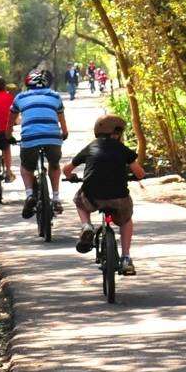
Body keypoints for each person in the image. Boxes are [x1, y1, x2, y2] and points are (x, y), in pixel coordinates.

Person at [63, 114, 145, 276]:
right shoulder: (123, 149)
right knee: (126, 220)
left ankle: (86, 225)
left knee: (79, 201)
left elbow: (67, 169)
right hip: (119, 198)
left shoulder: (91, 146)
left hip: (92, 196)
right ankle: (126, 257)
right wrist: (134, 176)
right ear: (116, 133)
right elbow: (140, 173)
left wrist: (71, 177)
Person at [7, 70, 69, 219]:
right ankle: (55, 198)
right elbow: (61, 119)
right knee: (54, 165)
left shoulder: (20, 97)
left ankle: (29, 195)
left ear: (27, 84)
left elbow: (10, 121)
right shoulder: (55, 96)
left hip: (30, 138)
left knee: (27, 167)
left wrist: (8, 136)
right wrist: (64, 133)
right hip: (53, 137)